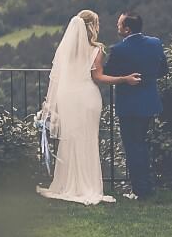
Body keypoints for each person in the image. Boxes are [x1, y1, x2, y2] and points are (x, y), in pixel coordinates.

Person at [36, 10, 142, 205]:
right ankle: (87, 185)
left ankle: (70, 183)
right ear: (92, 26)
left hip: (67, 97)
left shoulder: (66, 50)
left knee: (70, 139)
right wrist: (124, 79)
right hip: (86, 97)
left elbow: (59, 76)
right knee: (87, 139)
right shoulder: (96, 49)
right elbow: (98, 77)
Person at [103, 12, 168, 199]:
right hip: (149, 102)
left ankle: (141, 191)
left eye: (119, 24)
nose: (117, 27)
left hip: (129, 105)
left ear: (127, 29)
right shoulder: (155, 43)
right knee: (141, 145)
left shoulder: (119, 50)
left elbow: (108, 74)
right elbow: (163, 70)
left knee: (133, 147)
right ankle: (145, 187)